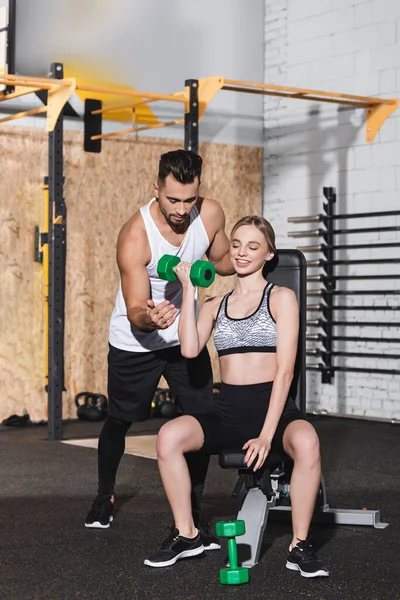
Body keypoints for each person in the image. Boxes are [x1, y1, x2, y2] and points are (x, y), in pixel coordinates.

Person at [144, 215, 329, 578]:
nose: (242, 253)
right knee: (169, 437)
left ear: (269, 254)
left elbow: (286, 372)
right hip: (227, 411)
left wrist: (265, 433)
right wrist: (188, 290)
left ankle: (299, 545)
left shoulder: (281, 298)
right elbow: (190, 348)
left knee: (307, 441)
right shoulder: (215, 304)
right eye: (237, 244)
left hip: (273, 412)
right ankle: (188, 534)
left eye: (253, 246)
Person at [85, 149, 235, 552]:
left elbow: (221, 261)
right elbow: (135, 306)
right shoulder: (136, 234)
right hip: (137, 339)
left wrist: (250, 259)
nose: (182, 210)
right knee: (120, 418)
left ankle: (193, 517)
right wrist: (150, 317)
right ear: (157, 189)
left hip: (185, 338)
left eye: (189, 200)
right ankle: (104, 497)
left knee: (200, 420)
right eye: (173, 200)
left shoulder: (211, 214)